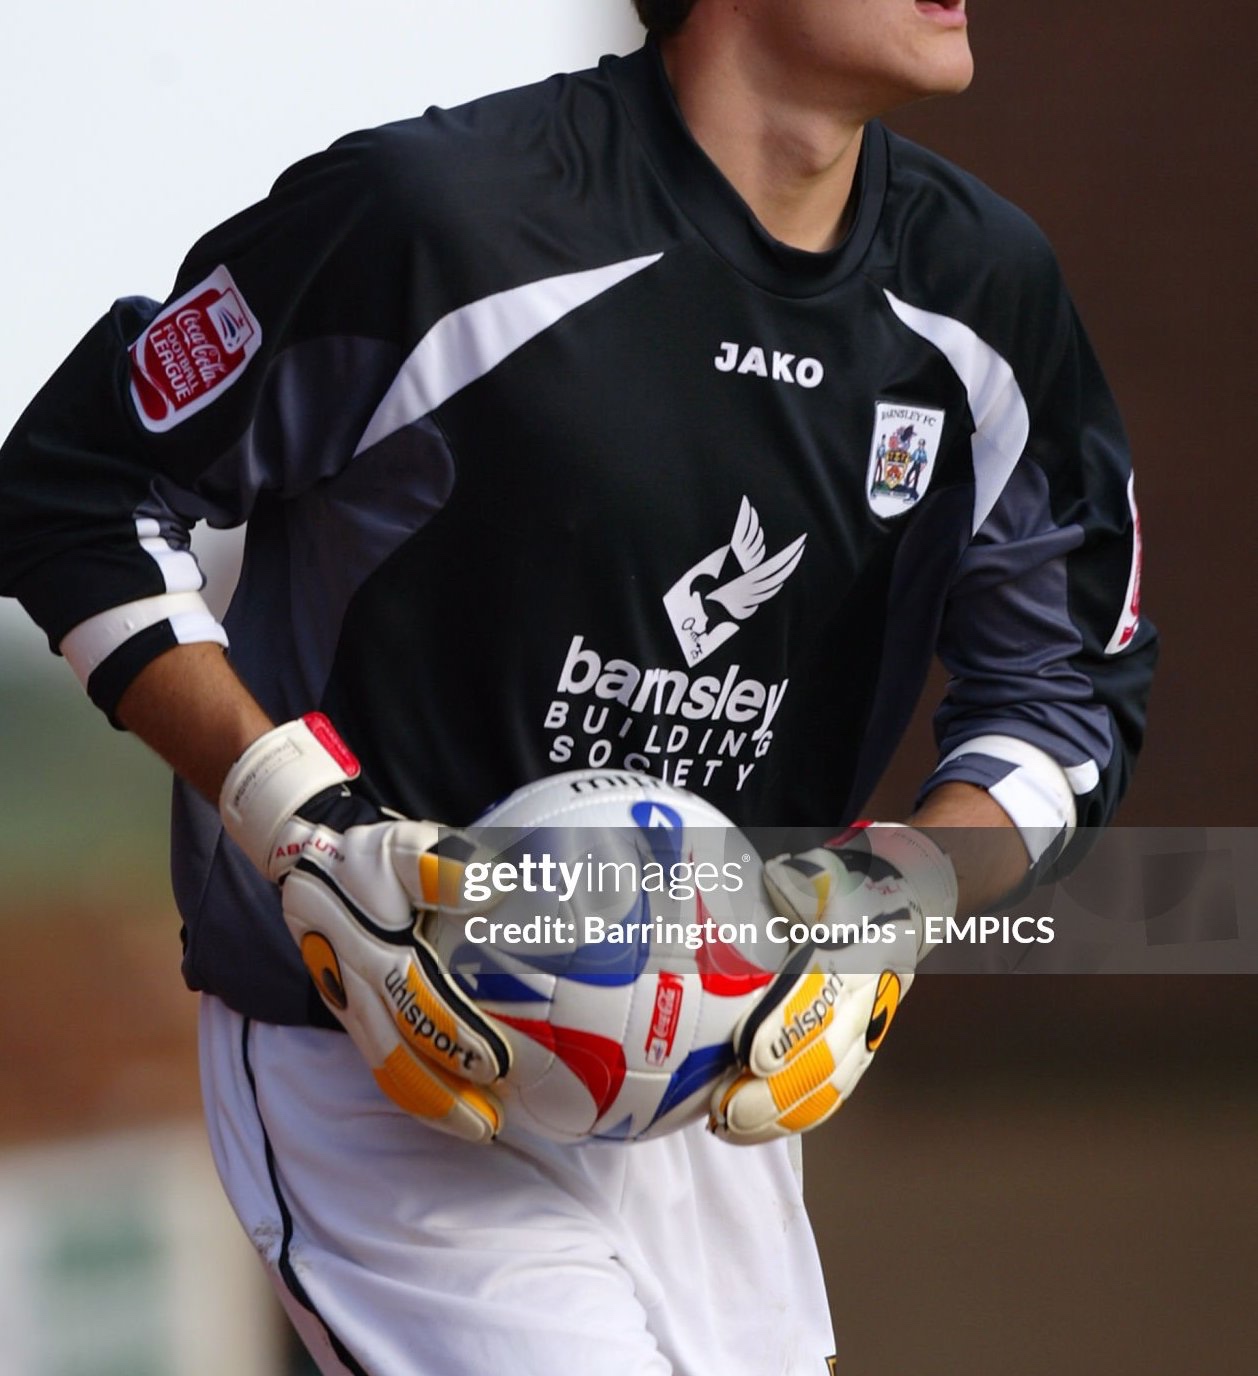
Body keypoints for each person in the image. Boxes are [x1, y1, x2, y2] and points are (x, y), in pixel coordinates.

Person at [0, 1, 1156, 1371]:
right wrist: (301, 827)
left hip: (710, 1087)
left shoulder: (984, 292)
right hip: (386, 1064)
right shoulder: (437, 219)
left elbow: (1067, 683)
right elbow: (72, 487)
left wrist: (886, 902)